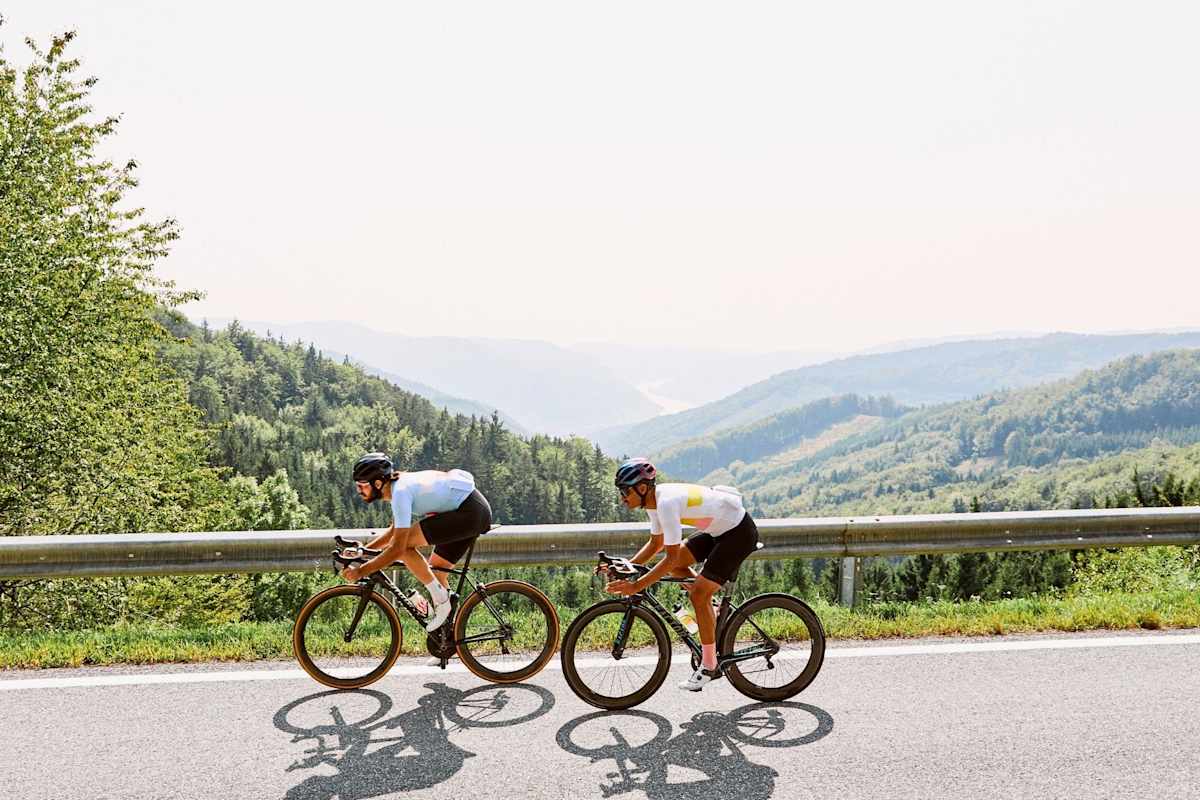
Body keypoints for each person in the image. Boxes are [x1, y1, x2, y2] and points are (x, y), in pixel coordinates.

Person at [605, 457, 759, 691]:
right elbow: (656, 543)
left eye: (625, 492)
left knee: (697, 595)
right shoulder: (653, 504)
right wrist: (628, 567)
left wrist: (636, 586)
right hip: (718, 530)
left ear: (642, 488)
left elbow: (671, 556)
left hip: (738, 533)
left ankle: (709, 665)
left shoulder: (665, 503)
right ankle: (712, 608)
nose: (622, 498)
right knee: (683, 572)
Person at [342, 452, 492, 632]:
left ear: (378, 483)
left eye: (362, 486)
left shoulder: (400, 493)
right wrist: (365, 551)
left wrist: (361, 571)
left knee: (404, 547)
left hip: (470, 512)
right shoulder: (399, 487)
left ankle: (442, 601)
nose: (359, 491)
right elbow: (394, 531)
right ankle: (448, 640)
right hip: (470, 509)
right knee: (436, 572)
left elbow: (397, 548)